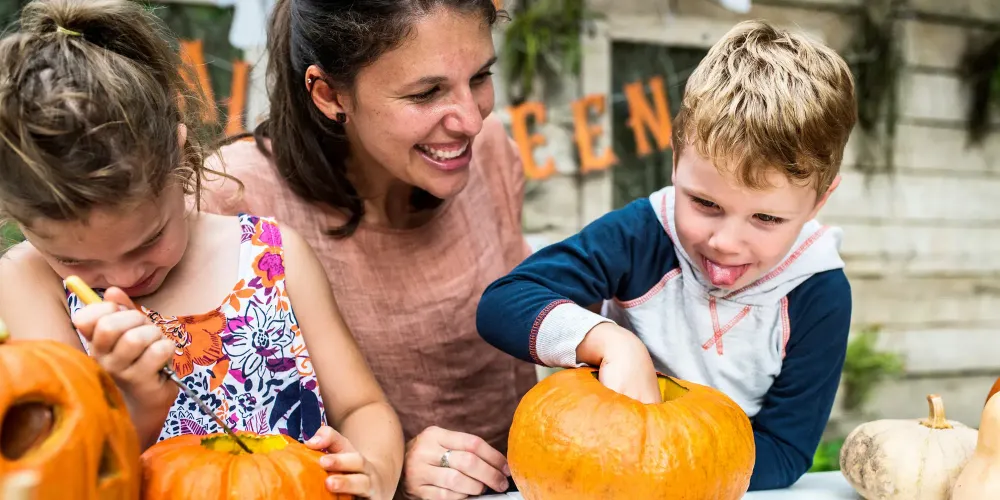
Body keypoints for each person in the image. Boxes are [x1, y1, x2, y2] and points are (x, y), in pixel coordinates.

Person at [0, 1, 402, 498]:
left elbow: (363, 408)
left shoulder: (270, 257)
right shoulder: (29, 286)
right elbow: (61, 477)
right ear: (22, 225)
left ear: (182, 155)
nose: (122, 279)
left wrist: (373, 469)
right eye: (75, 262)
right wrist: (135, 405)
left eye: (148, 240)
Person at [477, 20, 857, 491]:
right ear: (676, 162)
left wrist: (667, 471)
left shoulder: (819, 293)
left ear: (819, 201)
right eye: (705, 204)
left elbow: (785, 449)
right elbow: (505, 302)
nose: (725, 242)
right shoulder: (642, 234)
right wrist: (613, 342)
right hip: (597, 472)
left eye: (766, 219)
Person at [199, 0, 535, 498]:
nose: (471, 120)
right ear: (330, 94)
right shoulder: (232, 200)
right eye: (427, 92)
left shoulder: (490, 153)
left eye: (480, 76)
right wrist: (389, 466)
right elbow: (210, 445)